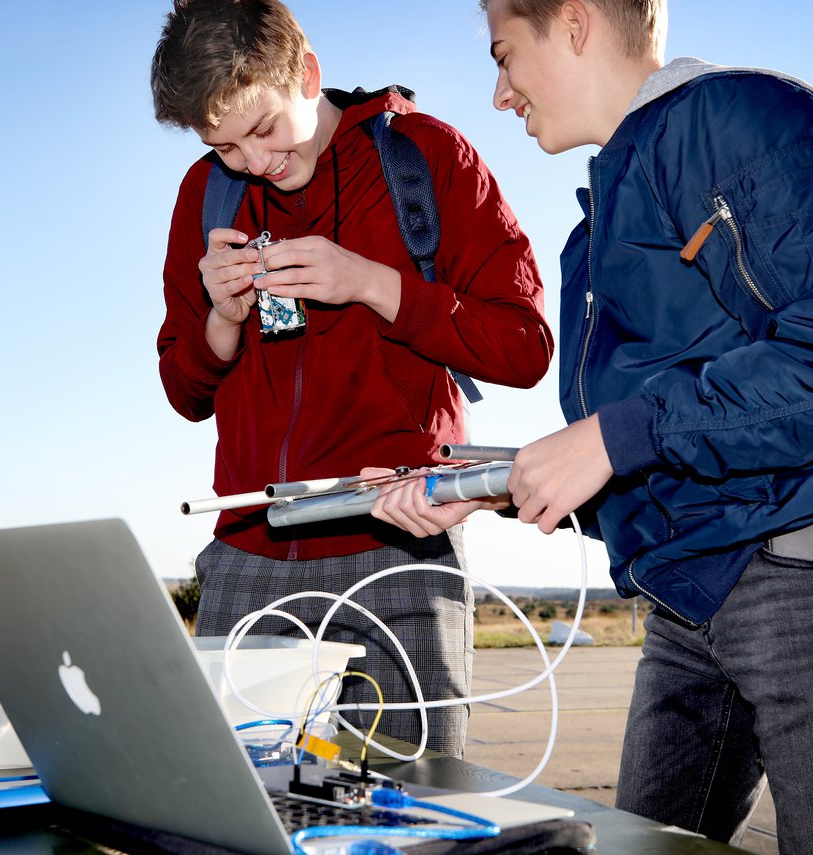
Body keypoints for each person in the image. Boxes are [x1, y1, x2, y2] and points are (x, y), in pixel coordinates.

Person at [371, 0, 813, 850]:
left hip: (807, 577)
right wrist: (488, 484)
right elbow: (656, 441)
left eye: (504, 55)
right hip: (688, 599)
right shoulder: (595, 231)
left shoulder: (732, 120)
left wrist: (610, 437)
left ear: (573, 23)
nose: (500, 93)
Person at [150, 0, 553, 758]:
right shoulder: (204, 196)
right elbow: (184, 391)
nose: (255, 163)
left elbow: (526, 346)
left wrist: (374, 283)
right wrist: (222, 321)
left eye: (264, 129)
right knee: (233, 818)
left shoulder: (428, 158)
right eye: (225, 147)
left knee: (416, 813)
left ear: (307, 73)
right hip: (248, 556)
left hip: (400, 545)